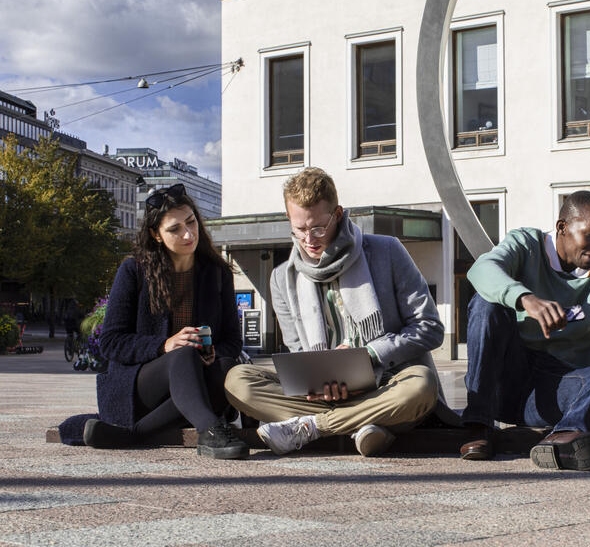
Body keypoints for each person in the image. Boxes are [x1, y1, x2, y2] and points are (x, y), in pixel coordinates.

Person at [224, 167, 442, 457]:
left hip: (387, 383)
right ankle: (366, 423)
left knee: (421, 384)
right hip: (323, 396)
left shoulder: (387, 251)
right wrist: (319, 381)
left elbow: (429, 327)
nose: (309, 239)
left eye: (318, 228)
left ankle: (311, 427)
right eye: (299, 229)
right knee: (238, 380)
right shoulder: (281, 278)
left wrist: (369, 356)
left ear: (338, 215)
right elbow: (299, 351)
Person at [460, 191, 590, 470]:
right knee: (485, 303)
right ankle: (478, 425)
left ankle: (562, 441)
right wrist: (525, 298)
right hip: (505, 380)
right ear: (562, 227)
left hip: (556, 386)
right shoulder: (525, 244)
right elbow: (481, 269)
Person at [83, 183, 248, 460]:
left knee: (228, 367)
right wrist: (164, 345)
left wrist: (214, 353)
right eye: (174, 229)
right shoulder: (134, 270)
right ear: (155, 235)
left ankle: (135, 435)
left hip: (191, 390)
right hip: (142, 386)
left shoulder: (217, 272)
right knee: (183, 354)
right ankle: (210, 430)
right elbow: (110, 342)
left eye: (191, 222)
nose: (188, 233)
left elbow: (233, 339)